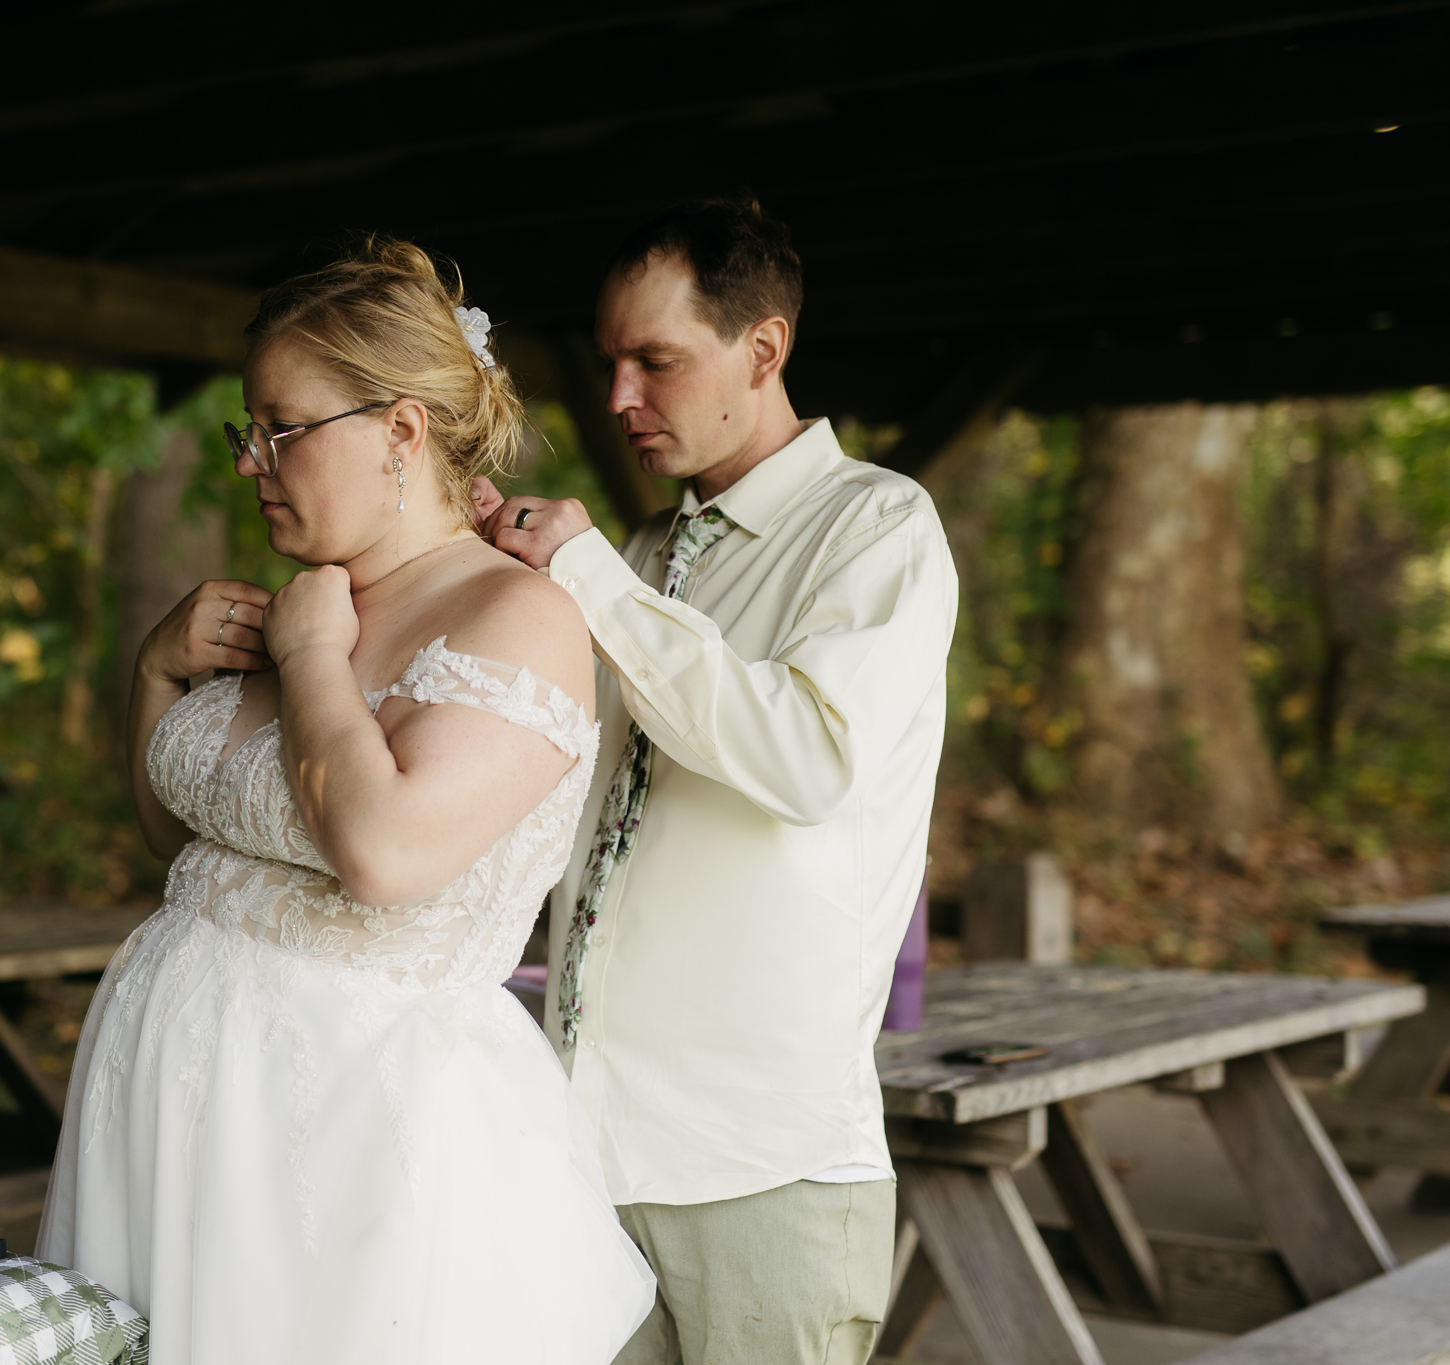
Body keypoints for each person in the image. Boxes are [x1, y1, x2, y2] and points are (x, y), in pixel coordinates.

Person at [37, 240, 655, 1365]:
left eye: (281, 428)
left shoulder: (513, 619)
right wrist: (155, 675)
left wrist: (313, 655)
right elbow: (190, 855)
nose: (250, 463)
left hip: (344, 1151)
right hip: (169, 1123)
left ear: (400, 433)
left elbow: (382, 852)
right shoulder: (305, 597)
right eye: (247, 432)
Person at [471, 198, 958, 1365]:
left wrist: (587, 579)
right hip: (580, 1147)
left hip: (759, 1164)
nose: (619, 397)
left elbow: (805, 758)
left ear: (763, 349)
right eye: (610, 363)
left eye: (656, 360)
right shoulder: (635, 559)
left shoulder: (878, 527)